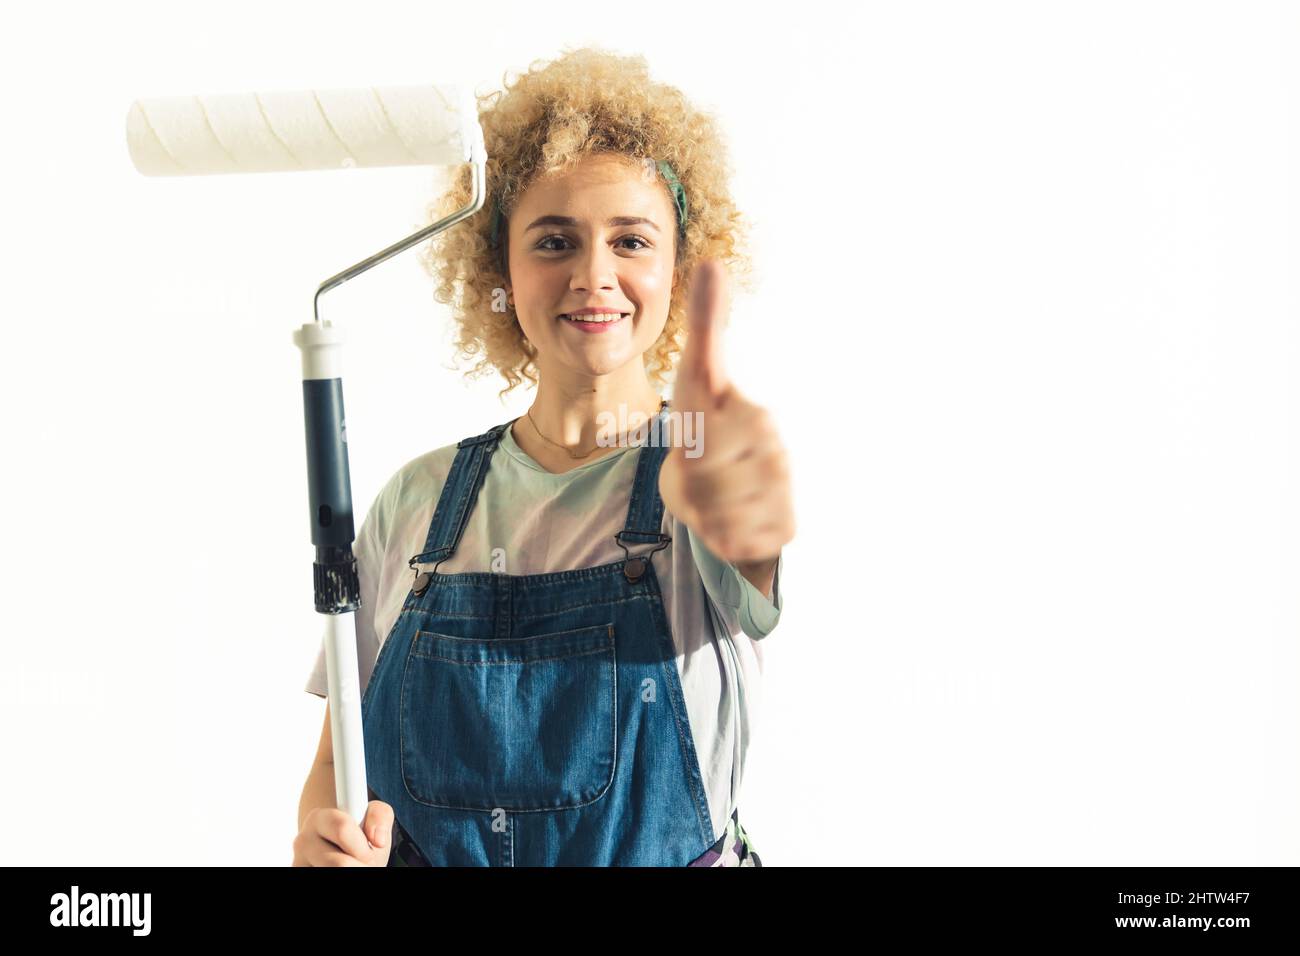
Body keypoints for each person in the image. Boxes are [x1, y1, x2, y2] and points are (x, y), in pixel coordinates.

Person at [292, 46, 795, 867]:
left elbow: (754, 539)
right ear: (500, 268)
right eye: (554, 241)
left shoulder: (700, 477)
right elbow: (332, 766)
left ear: (684, 266)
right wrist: (324, 838)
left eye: (631, 241)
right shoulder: (415, 505)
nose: (594, 276)